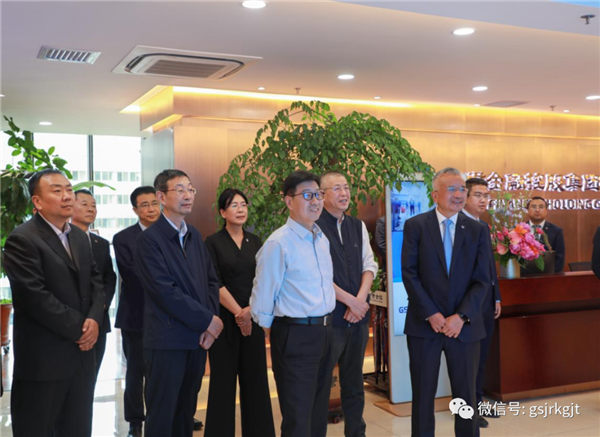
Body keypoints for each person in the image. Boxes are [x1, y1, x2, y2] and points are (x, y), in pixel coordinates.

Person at [3, 169, 105, 437]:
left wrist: (94, 319)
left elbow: (96, 282)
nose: (67, 196)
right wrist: (81, 328)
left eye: (69, 189)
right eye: (57, 191)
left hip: (81, 358)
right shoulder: (22, 239)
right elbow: (35, 297)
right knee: (38, 429)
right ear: (37, 201)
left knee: (77, 428)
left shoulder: (79, 237)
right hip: (44, 360)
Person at [401, 167, 491, 437]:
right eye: (452, 189)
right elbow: (409, 273)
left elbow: (483, 280)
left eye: (462, 189)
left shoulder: (477, 230)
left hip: (465, 328)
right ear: (435, 195)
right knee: (423, 395)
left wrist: (461, 317)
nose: (459, 194)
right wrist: (431, 313)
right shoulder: (416, 226)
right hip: (424, 325)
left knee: (466, 398)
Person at [135, 169, 223, 437]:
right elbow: (165, 292)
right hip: (167, 341)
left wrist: (209, 325)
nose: (188, 195)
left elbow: (211, 282)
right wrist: (207, 320)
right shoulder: (149, 240)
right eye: (180, 190)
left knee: (186, 412)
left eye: (190, 189)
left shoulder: (194, 235)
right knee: (163, 414)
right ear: (161, 197)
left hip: (196, 340)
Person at [250, 170, 336, 437]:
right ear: (289, 201)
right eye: (307, 195)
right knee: (298, 416)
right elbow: (263, 296)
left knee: (318, 413)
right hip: (295, 334)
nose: (316, 201)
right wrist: (275, 330)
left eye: (318, 194)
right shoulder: (278, 243)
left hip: (325, 331)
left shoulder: (321, 238)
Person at [204, 188, 275, 437]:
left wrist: (249, 311)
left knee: (256, 382)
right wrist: (238, 312)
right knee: (222, 384)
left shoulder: (255, 241)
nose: (240, 209)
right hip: (224, 321)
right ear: (223, 212)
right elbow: (213, 281)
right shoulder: (213, 242)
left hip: (252, 318)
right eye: (234, 205)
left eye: (243, 204)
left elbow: (264, 279)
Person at [315, 171, 378, 437]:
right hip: (330, 319)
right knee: (321, 383)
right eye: (337, 188)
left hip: (358, 317)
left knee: (354, 382)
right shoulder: (314, 226)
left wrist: (360, 300)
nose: (344, 193)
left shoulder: (357, 225)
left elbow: (369, 265)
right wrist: (350, 301)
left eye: (346, 188)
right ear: (322, 194)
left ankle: (356, 432)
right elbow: (317, 274)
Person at [113, 186, 160, 437]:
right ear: (135, 209)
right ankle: (134, 421)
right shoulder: (123, 238)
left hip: (168, 317)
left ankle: (161, 414)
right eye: (144, 205)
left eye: (154, 203)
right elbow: (132, 274)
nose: (151, 209)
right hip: (136, 316)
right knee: (135, 373)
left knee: (164, 371)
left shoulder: (171, 233)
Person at [463, 178, 502, 428]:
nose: (483, 200)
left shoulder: (483, 226)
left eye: (486, 195)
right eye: (478, 195)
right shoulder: (459, 225)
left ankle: (477, 402)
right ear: (465, 197)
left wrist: (496, 295)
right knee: (469, 359)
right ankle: (468, 409)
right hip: (468, 304)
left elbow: (489, 266)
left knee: (482, 356)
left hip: (487, 302)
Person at [71, 189, 117, 378]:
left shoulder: (101, 243)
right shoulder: (62, 240)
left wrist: (101, 306)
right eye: (84, 204)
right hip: (72, 320)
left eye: (94, 205)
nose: (91, 209)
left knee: (92, 375)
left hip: (99, 319)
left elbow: (109, 278)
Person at [526, 196, 565, 272]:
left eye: (541, 207)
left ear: (546, 211)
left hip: (548, 276)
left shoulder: (556, 231)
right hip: (523, 276)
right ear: (528, 210)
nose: (537, 210)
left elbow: (560, 259)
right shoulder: (519, 230)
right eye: (533, 207)